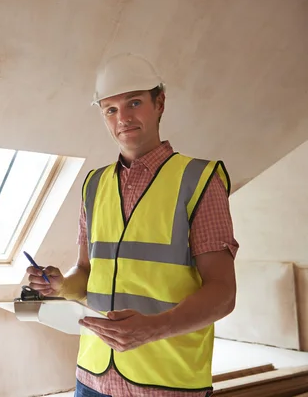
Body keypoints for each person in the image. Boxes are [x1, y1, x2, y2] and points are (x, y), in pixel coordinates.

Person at [26, 53, 238, 397]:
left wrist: (154, 329)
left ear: (160, 103)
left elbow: (223, 293)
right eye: (110, 109)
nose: (122, 118)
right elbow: (86, 272)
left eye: (134, 102)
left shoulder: (199, 180)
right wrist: (61, 285)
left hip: (167, 382)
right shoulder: (93, 186)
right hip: (91, 377)